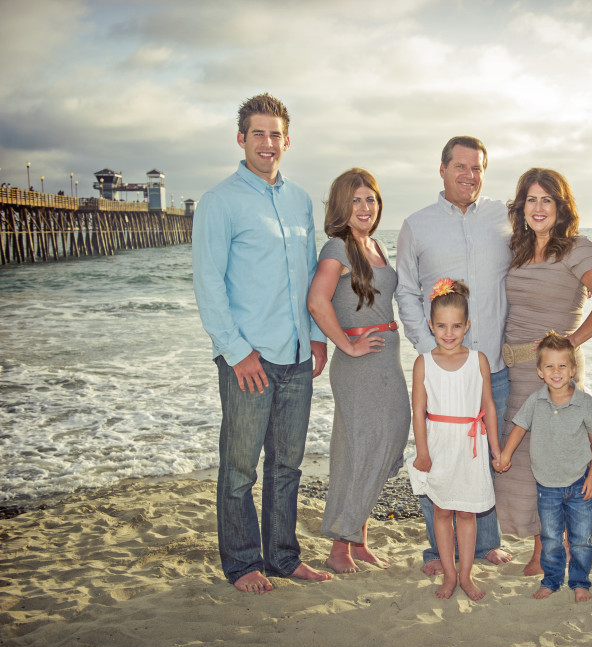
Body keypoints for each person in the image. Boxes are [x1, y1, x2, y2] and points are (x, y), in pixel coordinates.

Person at [192, 93, 332, 593]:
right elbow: (208, 283)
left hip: (297, 357)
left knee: (287, 466)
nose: (267, 143)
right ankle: (242, 564)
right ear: (241, 139)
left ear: (286, 140)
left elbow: (313, 275)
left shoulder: (298, 200)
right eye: (258, 134)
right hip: (248, 359)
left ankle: (284, 557)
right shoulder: (220, 201)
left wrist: (316, 338)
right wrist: (236, 350)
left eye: (275, 134)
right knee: (239, 469)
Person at [494, 168, 592, 576]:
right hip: (516, 372)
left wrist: (571, 341)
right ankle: (545, 543)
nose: (538, 207)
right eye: (531, 199)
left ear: (561, 206)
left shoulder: (575, 249)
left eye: (547, 200)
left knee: (555, 457)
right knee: (528, 460)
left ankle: (547, 551)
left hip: (555, 374)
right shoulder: (517, 250)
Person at [395, 136, 512, 575]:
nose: (469, 175)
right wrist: (427, 349)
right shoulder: (417, 224)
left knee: (481, 456)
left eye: (477, 168)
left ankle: (485, 545)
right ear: (442, 169)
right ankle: (436, 552)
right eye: (460, 166)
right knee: (437, 457)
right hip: (440, 369)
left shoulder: (504, 217)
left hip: (490, 365)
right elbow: (406, 289)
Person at [306, 168, 410, 574]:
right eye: (356, 200)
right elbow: (318, 301)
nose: (365, 207)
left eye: (371, 199)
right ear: (341, 206)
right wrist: (347, 344)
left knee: (382, 443)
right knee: (361, 448)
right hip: (361, 363)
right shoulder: (338, 248)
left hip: (387, 359)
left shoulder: (376, 245)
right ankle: (339, 548)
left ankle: (358, 538)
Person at [494, 332, 592, 603]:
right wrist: (505, 455)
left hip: (580, 482)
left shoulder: (585, 403)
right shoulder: (535, 401)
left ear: (573, 369)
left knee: (580, 539)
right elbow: (519, 427)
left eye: (562, 366)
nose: (556, 372)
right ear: (540, 371)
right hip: (547, 485)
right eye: (549, 366)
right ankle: (552, 581)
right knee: (551, 538)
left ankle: (580, 583)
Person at [407, 279, 500, 601]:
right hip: (438, 445)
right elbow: (418, 410)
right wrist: (422, 452)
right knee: (442, 513)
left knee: (467, 513)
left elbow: (488, 406)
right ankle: (448, 575)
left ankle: (466, 575)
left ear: (467, 326)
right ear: (431, 326)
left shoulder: (479, 360)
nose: (449, 333)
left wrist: (497, 449)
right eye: (442, 326)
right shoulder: (424, 363)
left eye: (456, 326)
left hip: (471, 446)